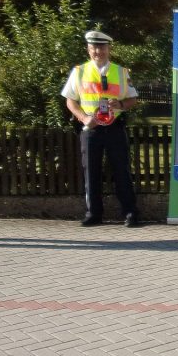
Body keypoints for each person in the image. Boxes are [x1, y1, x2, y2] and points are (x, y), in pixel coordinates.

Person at [62, 30, 140, 228]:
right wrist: (84, 118)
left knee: (122, 170)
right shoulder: (79, 71)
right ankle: (93, 214)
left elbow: (132, 99)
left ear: (109, 49)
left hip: (114, 127)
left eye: (102, 47)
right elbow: (70, 101)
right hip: (92, 128)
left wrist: (121, 106)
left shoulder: (121, 72)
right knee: (91, 171)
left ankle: (130, 213)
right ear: (89, 50)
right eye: (94, 48)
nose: (98, 51)